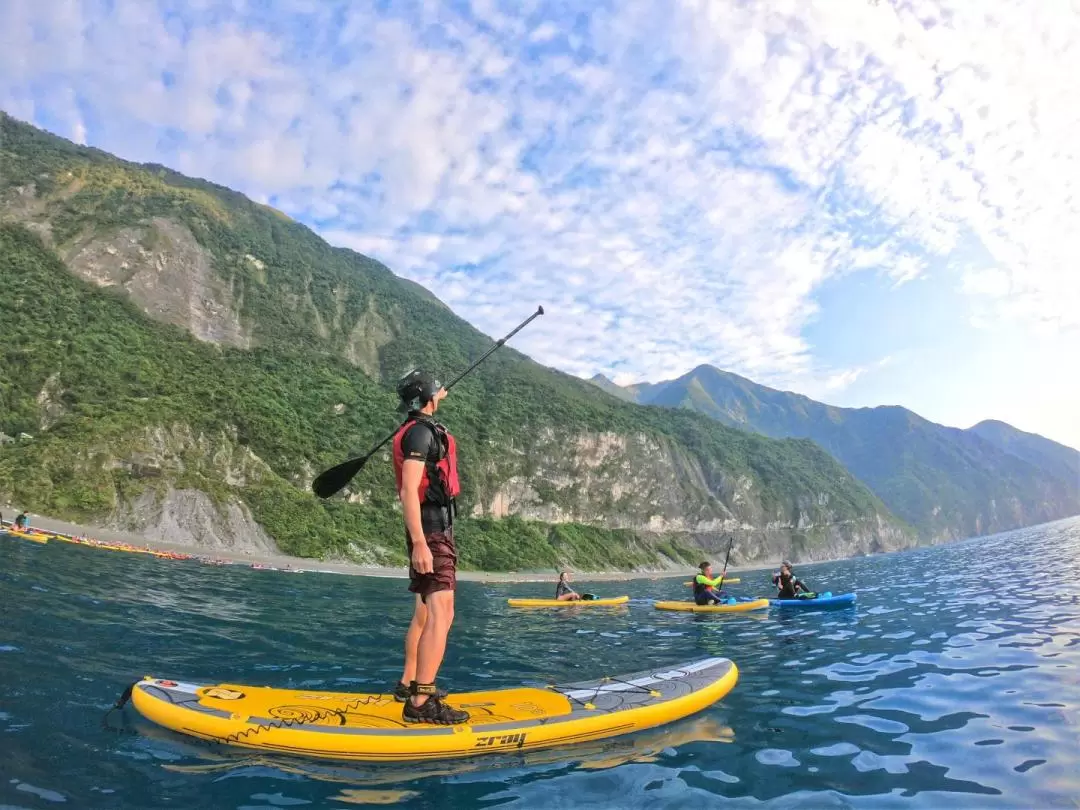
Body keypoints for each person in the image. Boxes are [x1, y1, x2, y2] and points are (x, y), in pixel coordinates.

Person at [390, 369, 469, 725]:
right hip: (431, 532)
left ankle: (410, 685)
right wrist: (421, 542)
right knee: (443, 612)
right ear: (427, 397)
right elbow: (409, 490)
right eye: (436, 389)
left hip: (434, 530)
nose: (442, 391)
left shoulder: (418, 428)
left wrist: (435, 391)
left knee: (425, 613)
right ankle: (422, 701)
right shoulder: (421, 433)